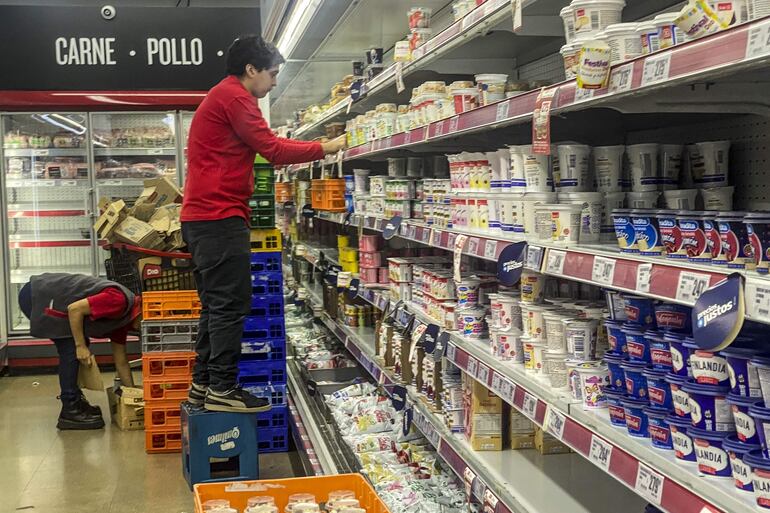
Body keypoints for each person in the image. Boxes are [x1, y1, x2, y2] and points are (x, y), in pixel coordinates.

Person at [181, 34, 345, 413]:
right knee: (229, 305)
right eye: (271, 74)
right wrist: (326, 147)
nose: (273, 83)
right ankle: (223, 387)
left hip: (204, 217)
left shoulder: (222, 95)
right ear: (250, 70)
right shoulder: (236, 97)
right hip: (218, 217)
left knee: (215, 306)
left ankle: (204, 385)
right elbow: (272, 149)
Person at [18, 273, 142, 430]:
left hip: (43, 294)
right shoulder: (119, 301)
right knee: (71, 348)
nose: (143, 331)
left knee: (78, 343)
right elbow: (74, 309)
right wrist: (80, 346)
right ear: (143, 311)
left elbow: (121, 362)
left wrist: (132, 396)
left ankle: (75, 401)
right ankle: (70, 409)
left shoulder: (123, 321)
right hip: (37, 295)